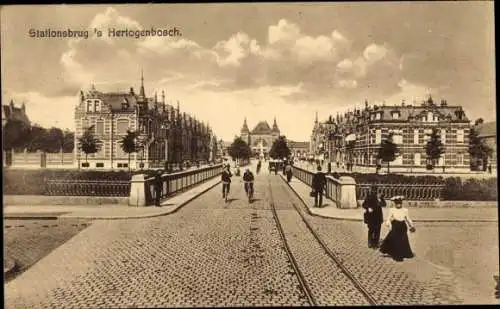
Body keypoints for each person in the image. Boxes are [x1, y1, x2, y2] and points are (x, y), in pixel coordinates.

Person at [380, 196, 416, 262]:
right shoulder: (392, 210)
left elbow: (408, 218)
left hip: (402, 226)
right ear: (395, 203)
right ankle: (396, 254)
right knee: (395, 239)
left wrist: (411, 226)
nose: (398, 205)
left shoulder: (405, 210)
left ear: (401, 203)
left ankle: (404, 252)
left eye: (400, 203)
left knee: (403, 239)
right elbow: (389, 218)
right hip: (395, 225)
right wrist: (388, 224)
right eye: (397, 203)